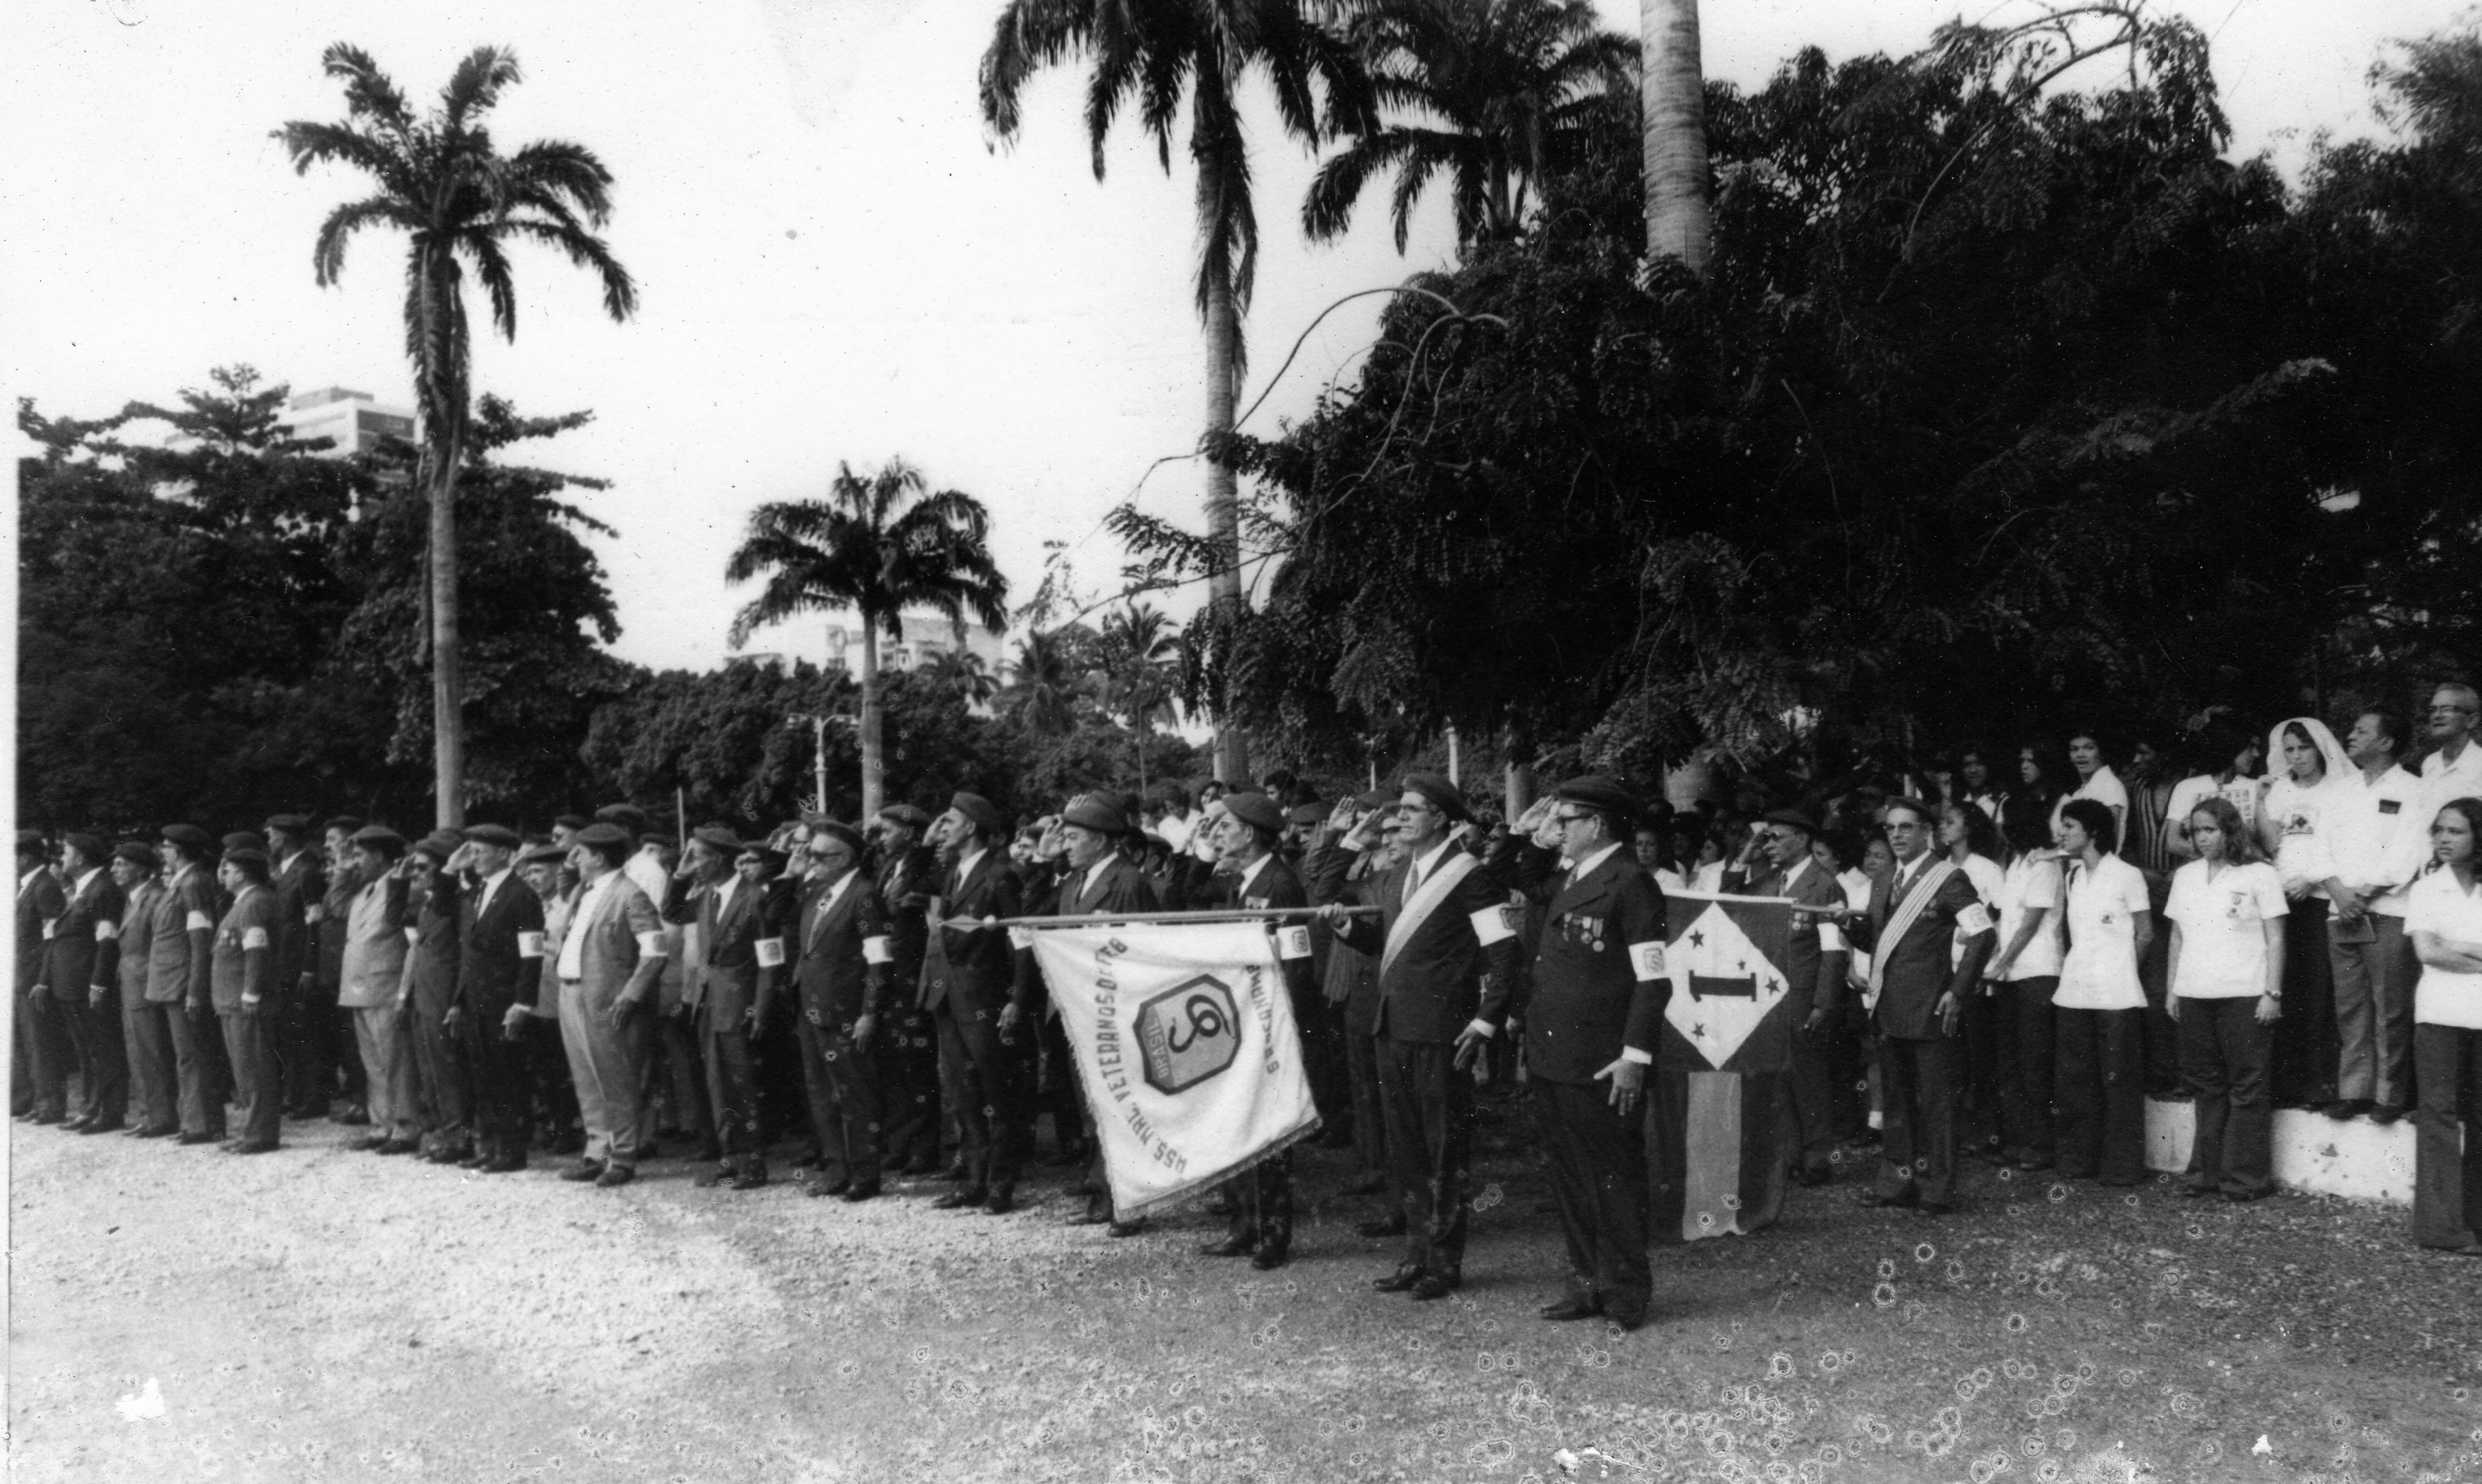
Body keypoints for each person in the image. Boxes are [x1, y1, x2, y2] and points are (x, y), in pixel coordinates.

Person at [1317, 773, 1523, 1300]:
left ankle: (1444, 1262)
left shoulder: (1470, 876)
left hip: (1442, 1032)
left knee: (1444, 1150)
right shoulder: (1398, 876)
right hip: (1392, 1025)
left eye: (1412, 809)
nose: (1399, 817)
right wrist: (1346, 926)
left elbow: (1505, 954)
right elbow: (1379, 937)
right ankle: (1416, 1254)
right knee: (1406, 1149)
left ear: (1441, 819)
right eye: (1400, 809)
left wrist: (1486, 1020)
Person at [1496, 778, 1666, 1327]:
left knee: (1613, 1175)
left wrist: (1635, 1057)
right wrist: (1534, 839)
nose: (1558, 830)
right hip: (1554, 1052)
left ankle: (1625, 1291)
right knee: (1569, 1174)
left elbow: (1653, 981)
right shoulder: (1570, 876)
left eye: (1566, 821)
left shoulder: (1631, 882)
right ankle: (1586, 1281)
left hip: (1603, 1057)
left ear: (1597, 825)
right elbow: (1517, 879)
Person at [1845, 797, 1994, 1216]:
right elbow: (1882, 943)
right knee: (1895, 1102)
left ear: (1927, 833)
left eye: (1906, 827)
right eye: (1890, 828)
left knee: (1935, 1102)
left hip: (1930, 1006)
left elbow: (1983, 935)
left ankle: (1936, 1190)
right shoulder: (1882, 880)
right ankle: (1896, 1183)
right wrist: (1852, 930)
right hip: (1887, 1005)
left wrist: (1958, 991)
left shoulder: (1948, 877)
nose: (1896, 835)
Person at [1193, 791, 1316, 1270]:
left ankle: (1271, 1235)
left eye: (1226, 827)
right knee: (1242, 1126)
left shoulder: (1279, 884)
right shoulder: (1244, 882)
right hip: (1244, 1019)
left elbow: (1297, 962)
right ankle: (1245, 1225)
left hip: (1270, 1022)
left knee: (1268, 1135)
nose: (1218, 834)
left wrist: (1282, 1025)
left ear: (1249, 833)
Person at [1042, 794, 1161, 1235]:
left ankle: (1131, 1204)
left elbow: (1145, 950)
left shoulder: (1128, 881)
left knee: (1121, 1108)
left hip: (1115, 1011)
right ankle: (1103, 1195)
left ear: (1101, 840)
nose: (1065, 844)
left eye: (1073, 837)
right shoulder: (1074, 881)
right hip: (1079, 1008)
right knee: (1094, 1109)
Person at [918, 792, 1037, 1215]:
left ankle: (1001, 1184)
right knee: (963, 1093)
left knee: (997, 1094)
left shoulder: (1000, 875)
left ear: (971, 827)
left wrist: (1016, 999)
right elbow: (923, 878)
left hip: (986, 999)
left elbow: (1021, 942)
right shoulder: (955, 872)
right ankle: (973, 1180)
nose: (942, 828)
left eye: (949, 821)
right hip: (951, 998)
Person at [2164, 795, 2285, 1201]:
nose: (2201, 839)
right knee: (2206, 1086)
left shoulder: (2259, 874)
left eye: (2210, 830)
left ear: (2229, 831)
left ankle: (2245, 1179)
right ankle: (2205, 1174)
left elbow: (2276, 937)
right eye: (2195, 831)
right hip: (2194, 992)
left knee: (2248, 1085)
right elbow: (2177, 936)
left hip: (2245, 992)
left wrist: (2272, 992)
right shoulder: (2185, 876)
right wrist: (2172, 988)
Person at [1725, 808, 1849, 1185]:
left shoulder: (1823, 885)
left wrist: (1823, 1003)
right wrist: (1746, 853)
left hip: (1802, 995)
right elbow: (1729, 899)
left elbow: (1834, 952)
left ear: (1803, 839)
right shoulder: (1770, 880)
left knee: (1808, 1079)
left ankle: (1817, 1159)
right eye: (1766, 839)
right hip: (1770, 995)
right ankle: (1790, 1154)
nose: (1769, 846)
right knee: (1779, 1079)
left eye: (1776, 838)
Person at [2321, 708, 2426, 1123]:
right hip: (2340, 911)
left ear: (2386, 742)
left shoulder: (2413, 790)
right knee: (2350, 1007)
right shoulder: (2340, 790)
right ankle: (2355, 1091)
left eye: (2361, 730)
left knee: (2390, 1008)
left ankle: (2389, 1095)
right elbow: (2318, 847)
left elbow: (2410, 852)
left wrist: (2363, 895)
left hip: (2387, 911)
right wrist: (2338, 893)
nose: (2350, 735)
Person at [554, 821, 671, 1188]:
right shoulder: (584, 891)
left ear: (599, 858)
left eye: (581, 853)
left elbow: (655, 952)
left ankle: (622, 1157)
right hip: (573, 994)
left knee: (617, 1082)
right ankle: (597, 1153)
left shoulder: (630, 894)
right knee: (587, 1081)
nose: (575, 859)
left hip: (609, 1001)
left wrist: (631, 995)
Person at [787, 822, 892, 1200]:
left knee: (855, 1095)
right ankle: (837, 1171)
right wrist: (791, 875)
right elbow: (780, 916)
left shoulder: (864, 896)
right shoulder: (818, 893)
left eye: (818, 855)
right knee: (821, 1094)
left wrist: (870, 1013)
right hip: (812, 1008)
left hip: (846, 1012)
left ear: (844, 858)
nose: (810, 860)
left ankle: (864, 1176)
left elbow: (879, 960)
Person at [2052, 799, 2153, 1186]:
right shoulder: (2073, 877)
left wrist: (2122, 971)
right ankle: (2080, 1160)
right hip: (2075, 992)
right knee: (2076, 1079)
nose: (2061, 833)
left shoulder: (2127, 875)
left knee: (2119, 1080)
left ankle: (2122, 1167)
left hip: (2117, 995)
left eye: (2069, 826)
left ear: (2093, 831)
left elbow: (2146, 933)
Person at [2260, 717, 2352, 1109]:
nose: (2297, 757)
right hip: (2282, 899)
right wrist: (2263, 804)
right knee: (2285, 989)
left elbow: (2342, 846)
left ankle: (2319, 1085)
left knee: (2318, 992)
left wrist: (2310, 880)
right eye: (2290, 750)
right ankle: (2285, 1085)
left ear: (2320, 747)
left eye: (2304, 747)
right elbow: (2273, 844)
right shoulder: (2280, 790)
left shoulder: (2341, 789)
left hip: (2320, 899)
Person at [2404, 797, 2482, 1254]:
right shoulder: (2426, 889)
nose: (2444, 839)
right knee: (2438, 1117)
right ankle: (2440, 1228)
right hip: (2438, 1015)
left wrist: (2458, 945)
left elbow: (2443, 947)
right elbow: (2428, 952)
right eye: (2439, 830)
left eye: (2456, 831)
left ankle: (2478, 1221)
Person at [452, 824, 545, 1174]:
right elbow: (469, 952)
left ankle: (512, 1148)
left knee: (508, 1075)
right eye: (472, 851)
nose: (473, 857)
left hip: (504, 999)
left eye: (480, 851)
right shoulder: (478, 892)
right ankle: (490, 1144)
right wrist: (459, 999)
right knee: (483, 1075)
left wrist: (523, 1003)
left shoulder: (521, 895)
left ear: (504, 854)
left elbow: (532, 955)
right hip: (476, 999)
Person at [1983, 807, 2065, 1171]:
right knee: (2011, 1061)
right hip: (2011, 976)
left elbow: (2030, 924)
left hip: (2039, 971)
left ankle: (2041, 1145)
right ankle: (2019, 1140)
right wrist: (1999, 965)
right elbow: (2006, 920)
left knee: (2036, 1062)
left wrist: (2000, 964)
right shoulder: (2016, 865)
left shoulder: (2044, 866)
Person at [869, 803, 944, 1175]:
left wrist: (924, 849)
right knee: (893, 1065)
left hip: (914, 979)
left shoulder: (927, 867)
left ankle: (924, 1148)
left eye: (888, 831)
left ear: (910, 833)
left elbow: (920, 893)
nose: (880, 839)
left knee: (917, 1066)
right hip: (889, 977)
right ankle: (900, 1142)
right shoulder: (889, 867)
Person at [338, 825, 420, 1155]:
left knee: (395, 1060)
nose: (355, 862)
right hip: (360, 986)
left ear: (380, 855)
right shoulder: (363, 893)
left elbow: (405, 932)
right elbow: (335, 906)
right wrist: (343, 872)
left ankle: (406, 1126)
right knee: (373, 1062)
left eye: (360, 855)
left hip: (386, 984)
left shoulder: (403, 886)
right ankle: (381, 1125)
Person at [41, 833, 125, 1133]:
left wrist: (99, 983)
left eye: (66, 852)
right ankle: (91, 1107)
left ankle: (109, 1112)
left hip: (87, 984)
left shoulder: (103, 889)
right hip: (72, 985)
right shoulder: (84, 887)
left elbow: (107, 942)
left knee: (103, 1048)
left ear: (80, 858)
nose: (62, 858)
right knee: (87, 1050)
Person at [149, 824, 226, 1146]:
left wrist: (196, 988)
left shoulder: (193, 883)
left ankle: (202, 1124)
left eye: (166, 847)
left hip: (182, 981)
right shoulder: (182, 883)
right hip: (172, 980)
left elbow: (200, 940)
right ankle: (196, 1120)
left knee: (192, 1054)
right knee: (188, 1054)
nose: (162, 852)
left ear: (179, 851)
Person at [404, 831, 474, 1165]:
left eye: (423, 868)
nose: (415, 874)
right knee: (430, 1069)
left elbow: (464, 956)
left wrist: (458, 1000)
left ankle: (460, 1137)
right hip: (425, 994)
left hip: (444, 996)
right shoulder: (429, 903)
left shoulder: (458, 901)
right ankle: (442, 1132)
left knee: (449, 1070)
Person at [209, 845, 285, 1154]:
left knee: (255, 1068)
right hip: (233, 998)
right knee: (245, 1068)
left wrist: (251, 991)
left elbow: (256, 950)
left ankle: (260, 1135)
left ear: (241, 874)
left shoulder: (254, 903)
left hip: (245, 999)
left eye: (227, 870)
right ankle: (252, 1131)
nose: (223, 876)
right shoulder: (245, 902)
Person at [107, 842, 176, 1139]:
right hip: (133, 983)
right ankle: (150, 1114)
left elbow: (160, 945)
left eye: (121, 864)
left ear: (139, 869)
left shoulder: (155, 897)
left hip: (146, 985)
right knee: (139, 1051)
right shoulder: (135, 897)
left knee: (151, 1051)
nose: (114, 870)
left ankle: (161, 1117)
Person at [263, 815, 326, 1124]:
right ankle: (295, 1093)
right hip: (284, 963)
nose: (269, 840)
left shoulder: (306, 871)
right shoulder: (286, 872)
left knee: (306, 1031)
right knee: (290, 1032)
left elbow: (314, 922)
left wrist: (310, 967)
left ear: (285, 838)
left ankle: (314, 1097)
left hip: (297, 964)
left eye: (272, 835)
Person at [311, 816, 371, 1124]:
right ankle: (357, 1097)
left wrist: (342, 872)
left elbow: (337, 908)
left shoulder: (358, 875)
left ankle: (364, 1100)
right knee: (345, 1037)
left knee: (355, 1039)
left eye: (333, 839)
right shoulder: (341, 873)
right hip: (336, 966)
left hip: (352, 967)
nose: (327, 846)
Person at [16, 832, 71, 1123]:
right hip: (20, 977)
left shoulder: (45, 887)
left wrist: (43, 978)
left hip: (34, 978)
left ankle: (50, 1104)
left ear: (24, 857)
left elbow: (52, 938)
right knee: (26, 1042)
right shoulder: (26, 885)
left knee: (42, 1043)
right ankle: (32, 1100)